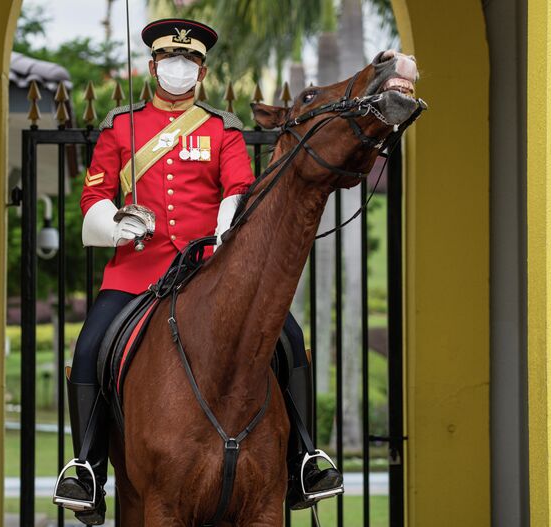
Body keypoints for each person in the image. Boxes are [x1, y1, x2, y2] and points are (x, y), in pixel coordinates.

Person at [53, 18, 343, 525]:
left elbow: (238, 191)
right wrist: (115, 223)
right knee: (90, 346)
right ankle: (89, 469)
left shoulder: (221, 129)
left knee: (289, 339)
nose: (178, 69)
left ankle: (303, 460)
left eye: (187, 62)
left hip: (205, 272)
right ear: (152, 66)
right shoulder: (121, 127)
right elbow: (93, 198)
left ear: (202, 71)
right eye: (169, 61)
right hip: (135, 275)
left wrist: (225, 234)